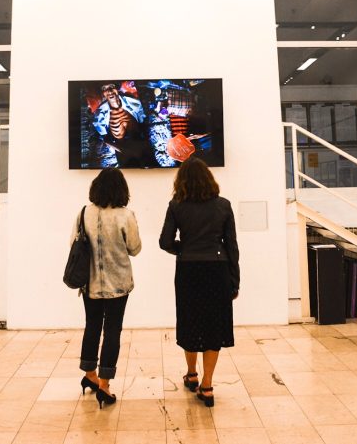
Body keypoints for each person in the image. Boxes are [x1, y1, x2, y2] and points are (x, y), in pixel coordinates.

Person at [159, 157, 239, 408]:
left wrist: (184, 249)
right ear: (209, 180)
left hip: (188, 270)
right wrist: (234, 280)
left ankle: (192, 374)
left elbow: (164, 242)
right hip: (218, 269)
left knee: (190, 320)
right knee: (214, 326)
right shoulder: (223, 205)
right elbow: (232, 247)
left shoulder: (176, 205)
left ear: (181, 181)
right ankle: (207, 384)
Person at [72, 167, 142, 408]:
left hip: (89, 283)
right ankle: (104, 385)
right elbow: (135, 249)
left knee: (92, 326)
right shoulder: (126, 215)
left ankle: (89, 374)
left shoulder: (83, 213)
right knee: (112, 331)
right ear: (122, 190)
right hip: (118, 284)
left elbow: (73, 243)